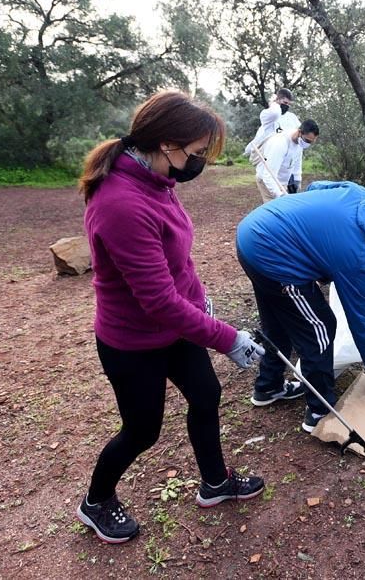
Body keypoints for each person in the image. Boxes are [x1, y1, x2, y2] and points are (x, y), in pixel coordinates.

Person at [75, 90, 268, 544]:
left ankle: (215, 482)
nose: (199, 162)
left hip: (177, 327)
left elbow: (179, 264)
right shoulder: (121, 203)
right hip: (133, 341)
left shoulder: (159, 183)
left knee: (206, 394)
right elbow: (158, 300)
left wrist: (202, 303)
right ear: (167, 144)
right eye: (198, 152)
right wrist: (227, 337)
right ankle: (96, 501)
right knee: (143, 430)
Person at [236, 181, 365, 433]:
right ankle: (320, 410)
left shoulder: (364, 197)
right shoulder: (364, 260)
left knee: (280, 318)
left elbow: (314, 187)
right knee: (319, 327)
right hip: (273, 254)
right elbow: (363, 325)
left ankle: (268, 387)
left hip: (253, 232)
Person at [253, 119, 320, 202]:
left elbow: (297, 162)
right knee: (275, 211)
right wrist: (280, 196)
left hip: (282, 182)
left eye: (311, 142)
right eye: (307, 141)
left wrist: (297, 180)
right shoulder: (280, 144)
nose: (308, 144)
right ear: (299, 132)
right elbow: (268, 175)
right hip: (268, 181)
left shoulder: (299, 142)